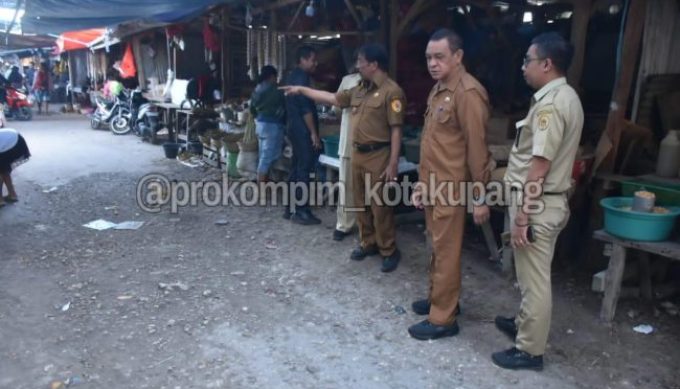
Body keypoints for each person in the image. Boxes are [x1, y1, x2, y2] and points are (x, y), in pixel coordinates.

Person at [492, 32, 583, 371]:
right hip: (546, 202)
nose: (523, 68)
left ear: (546, 64)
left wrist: (521, 218)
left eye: (527, 61)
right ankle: (523, 324)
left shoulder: (551, 105)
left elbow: (540, 165)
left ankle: (530, 351)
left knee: (534, 280)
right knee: (530, 275)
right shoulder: (566, 96)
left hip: (538, 204)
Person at [282, 43, 405, 273]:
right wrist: (302, 90)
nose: (357, 65)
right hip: (358, 153)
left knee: (380, 205)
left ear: (374, 65)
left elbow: (396, 129)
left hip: (379, 155)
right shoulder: (358, 89)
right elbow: (331, 98)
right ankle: (368, 242)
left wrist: (393, 163)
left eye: (360, 61)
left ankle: (388, 249)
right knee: (360, 203)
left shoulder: (392, 92)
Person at [408, 28, 493, 340]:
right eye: (429, 57)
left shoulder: (467, 94)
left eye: (439, 57)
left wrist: (480, 196)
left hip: (452, 188)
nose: (433, 63)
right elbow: (432, 145)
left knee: (446, 252)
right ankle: (439, 300)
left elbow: (477, 149)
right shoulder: (439, 90)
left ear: (457, 57)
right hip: (433, 186)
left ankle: (443, 319)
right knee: (436, 247)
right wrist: (420, 185)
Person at [283, 46, 322, 225]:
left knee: (296, 167)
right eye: (313, 60)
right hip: (302, 129)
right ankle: (302, 211)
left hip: (292, 127)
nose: (316, 63)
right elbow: (306, 109)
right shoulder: (301, 79)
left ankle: (289, 207)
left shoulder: (292, 76)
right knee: (304, 169)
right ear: (303, 59)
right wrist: (313, 132)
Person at [332, 70, 362, 241]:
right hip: (365, 142)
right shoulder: (381, 80)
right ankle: (365, 225)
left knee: (347, 185)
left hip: (350, 141)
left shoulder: (347, 80)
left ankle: (344, 225)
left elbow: (335, 108)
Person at [250, 65, 286, 183]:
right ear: (271, 77)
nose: (276, 80)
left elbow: (252, 109)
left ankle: (264, 182)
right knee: (266, 158)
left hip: (260, 125)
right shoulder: (275, 90)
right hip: (271, 126)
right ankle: (262, 188)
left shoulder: (257, 88)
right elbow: (285, 106)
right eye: (275, 77)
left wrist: (259, 117)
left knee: (262, 155)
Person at [0, 128, 31, 207]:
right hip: (16, 140)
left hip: (12, 143)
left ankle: (0, 200)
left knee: (1, 171)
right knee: (4, 171)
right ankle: (12, 195)